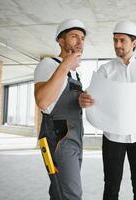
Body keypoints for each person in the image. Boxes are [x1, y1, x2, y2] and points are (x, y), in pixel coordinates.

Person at [79, 20, 136, 200]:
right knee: (111, 187)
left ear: (134, 43)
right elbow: (91, 100)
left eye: (122, 40)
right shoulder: (105, 71)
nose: (117, 45)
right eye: (115, 40)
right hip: (113, 138)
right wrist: (84, 100)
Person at [34, 19, 91, 200]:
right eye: (74, 37)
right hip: (58, 137)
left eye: (82, 38)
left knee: (59, 190)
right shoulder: (48, 64)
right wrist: (65, 64)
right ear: (60, 40)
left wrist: (82, 100)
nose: (80, 42)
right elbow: (42, 102)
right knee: (71, 193)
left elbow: (64, 99)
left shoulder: (75, 72)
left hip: (76, 136)